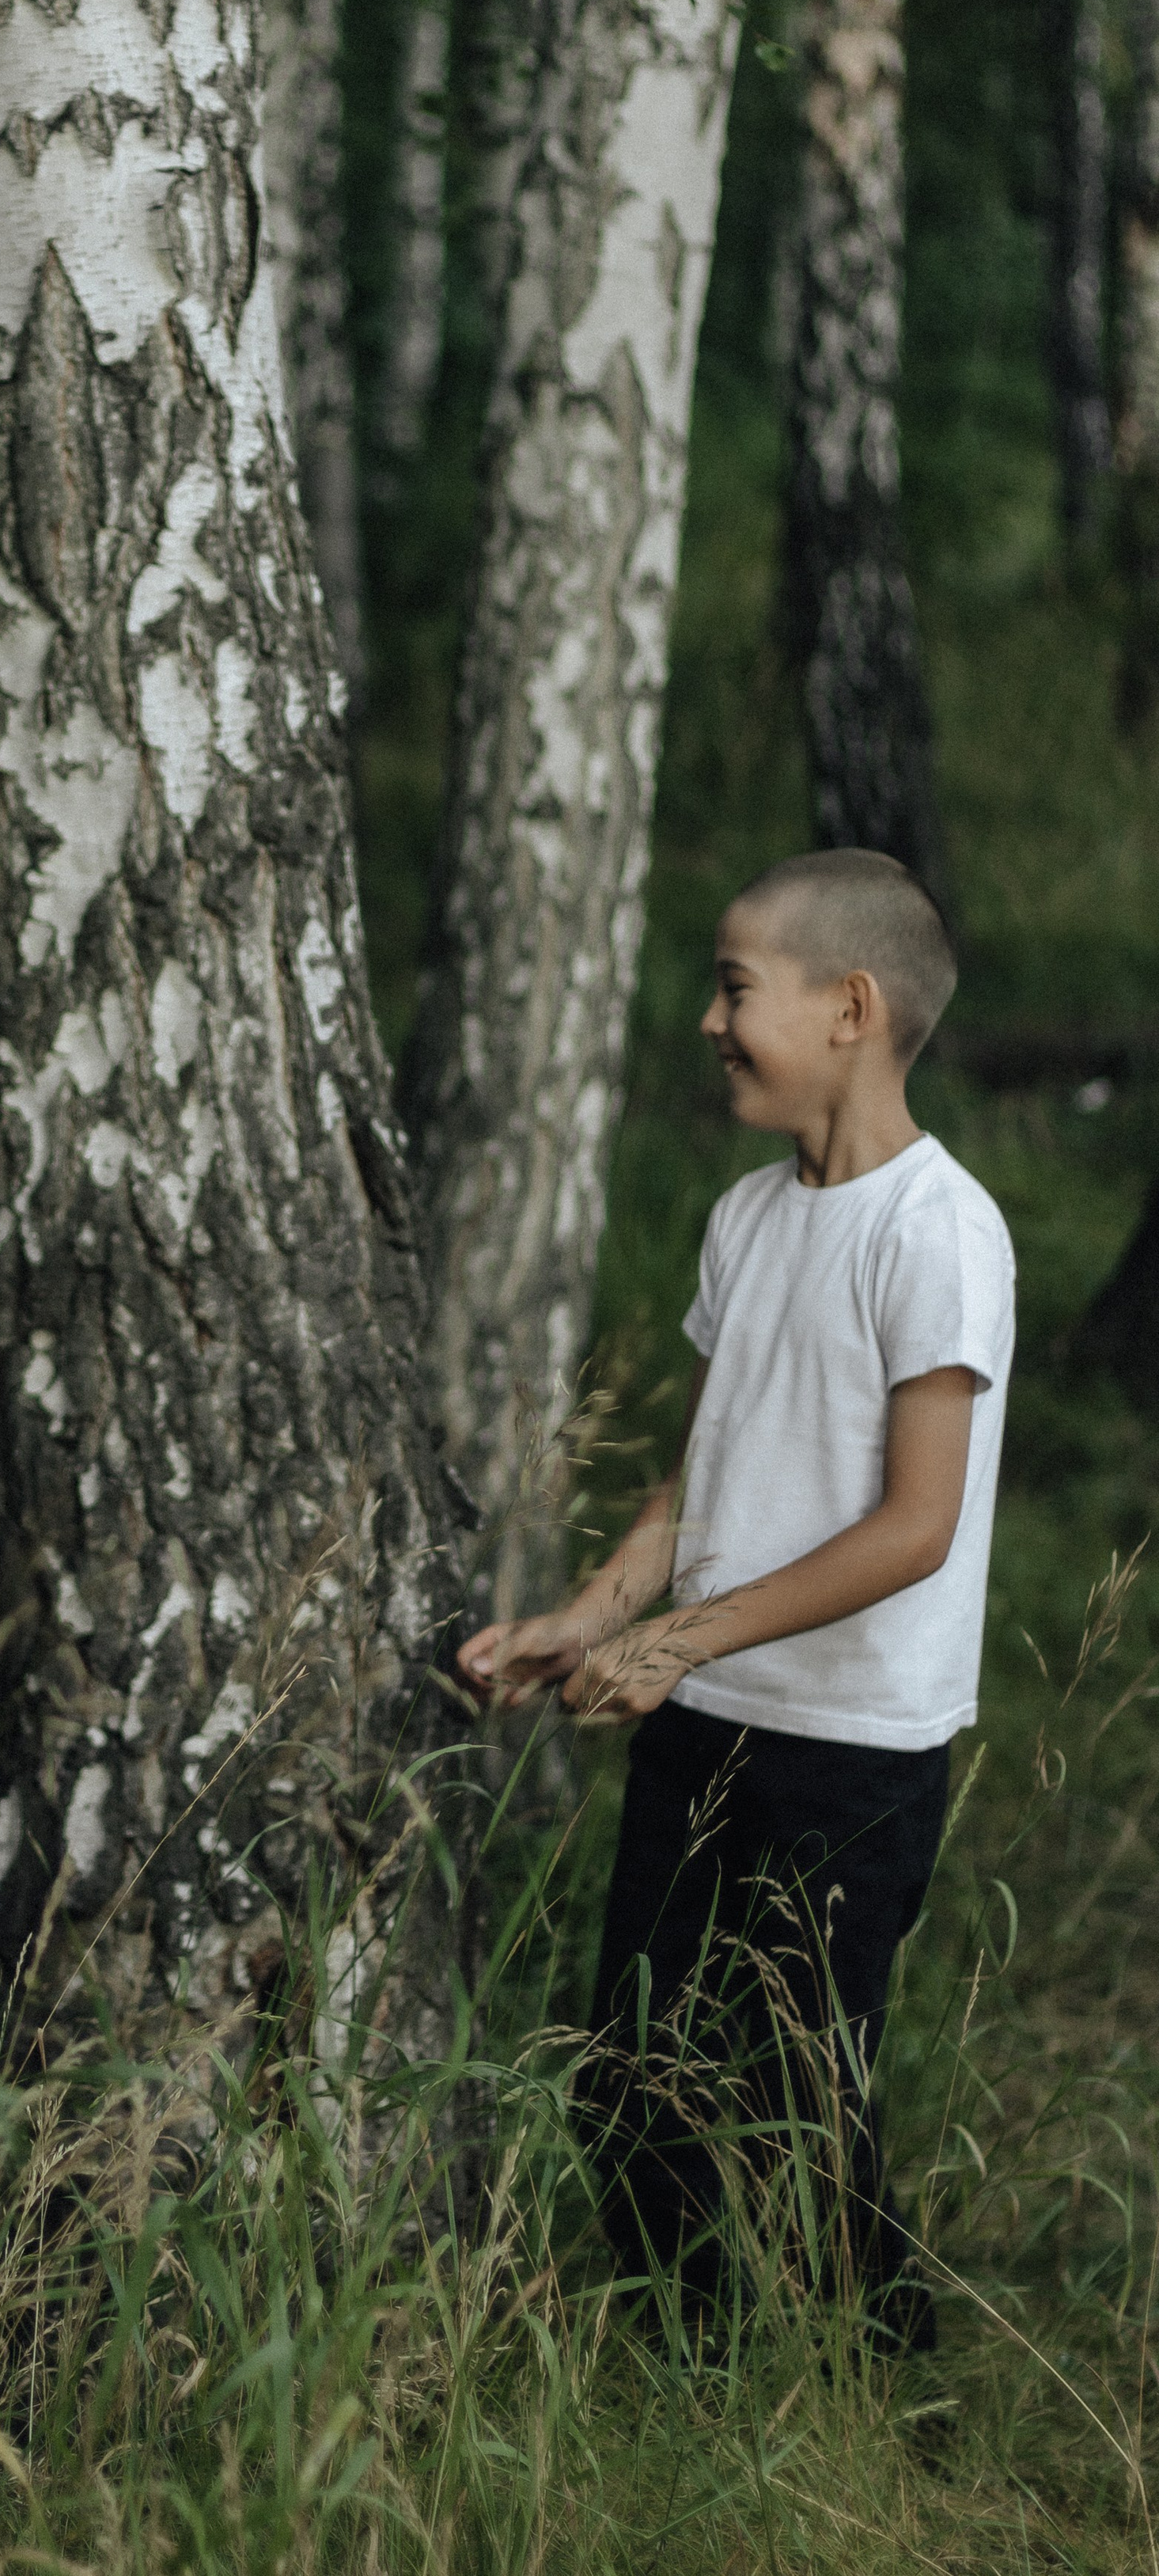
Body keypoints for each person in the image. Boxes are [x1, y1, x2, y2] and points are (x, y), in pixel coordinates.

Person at [457, 849, 1015, 2352]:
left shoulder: (936, 1232)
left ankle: (885, 2375)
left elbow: (914, 1526)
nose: (710, 1021)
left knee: (800, 2103)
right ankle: (680, 2368)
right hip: (705, 1726)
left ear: (851, 1007)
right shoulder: (747, 1221)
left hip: (852, 1753)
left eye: (733, 987)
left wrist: (680, 1637)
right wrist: (591, 1617)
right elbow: (693, 1486)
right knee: (628, 2077)